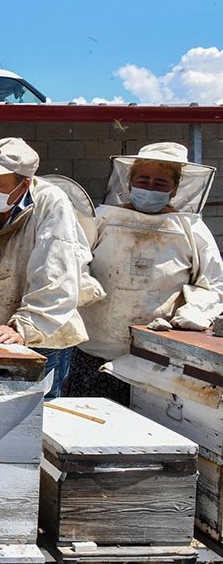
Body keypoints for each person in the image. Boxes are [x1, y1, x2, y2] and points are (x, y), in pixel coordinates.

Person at [68, 142, 223, 403]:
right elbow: (74, 263)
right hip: (94, 350)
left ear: (174, 189)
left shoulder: (191, 228)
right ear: (129, 182)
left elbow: (213, 284)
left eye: (161, 183)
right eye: (143, 179)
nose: (150, 187)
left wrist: (193, 312)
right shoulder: (102, 218)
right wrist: (83, 285)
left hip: (159, 356)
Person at [0, 137, 93, 398]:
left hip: (43, 338)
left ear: (24, 183)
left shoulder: (51, 203)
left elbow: (55, 273)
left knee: (40, 421)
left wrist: (24, 326)